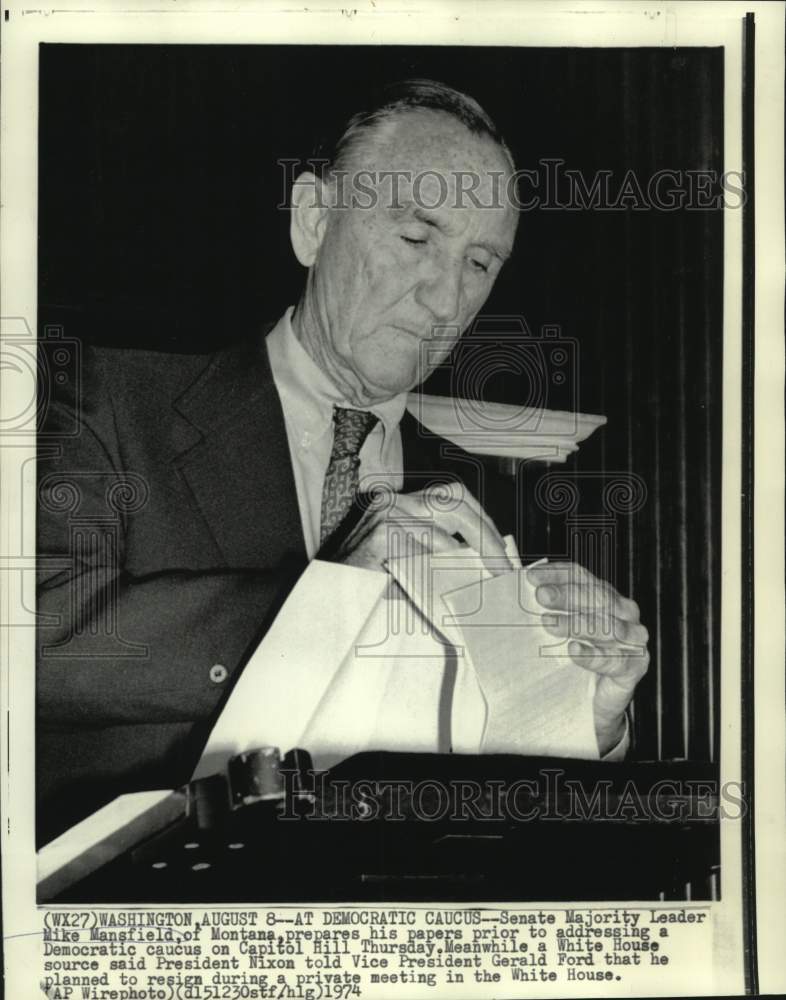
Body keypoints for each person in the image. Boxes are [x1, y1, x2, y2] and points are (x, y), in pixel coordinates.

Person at [36, 79, 648, 844]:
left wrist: (587, 718)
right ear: (313, 221)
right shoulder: (107, 402)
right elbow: (29, 642)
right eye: (418, 239)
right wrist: (328, 599)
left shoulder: (492, 505)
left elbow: (495, 780)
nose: (445, 300)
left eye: (480, 263)